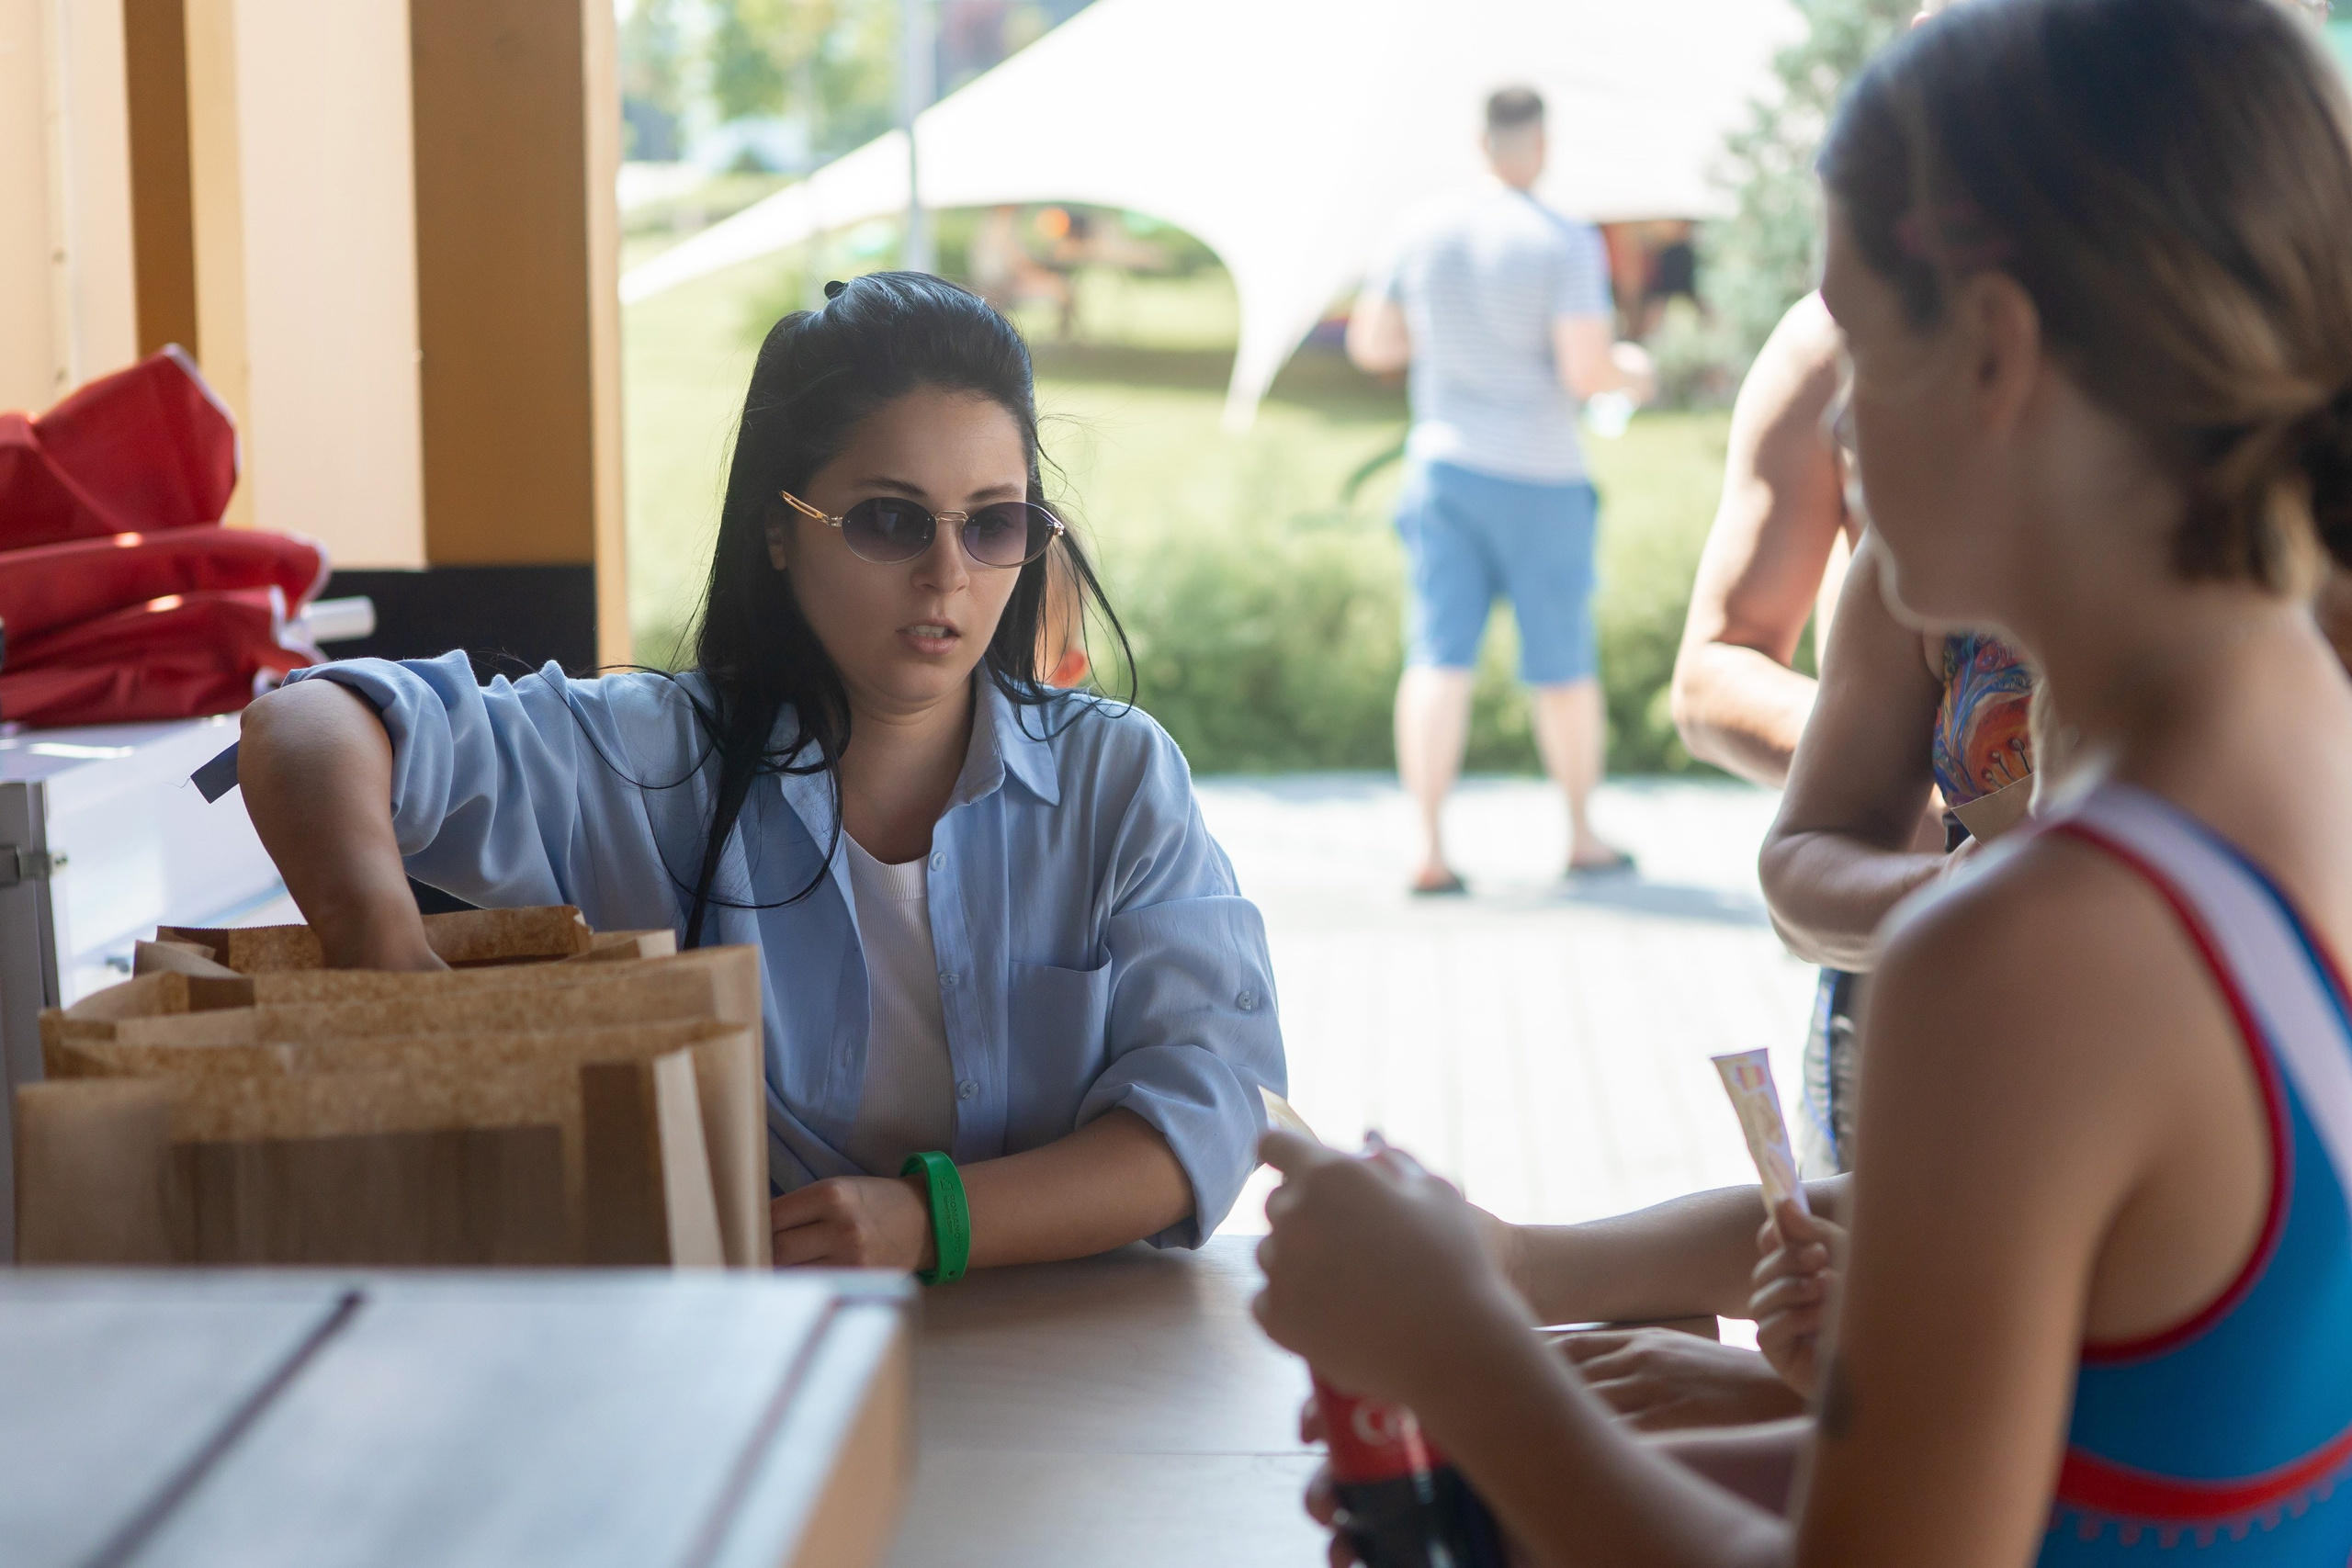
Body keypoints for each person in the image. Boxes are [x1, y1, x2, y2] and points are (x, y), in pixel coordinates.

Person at [1258, 4, 2352, 1563]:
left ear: (1993, 350)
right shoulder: (2302, 753)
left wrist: (1463, 1361)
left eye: (1854, 340)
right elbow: (2123, 1458)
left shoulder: (2032, 946)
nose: (1832, 418)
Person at [236, 273, 1286, 1276]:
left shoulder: (1116, 781)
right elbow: (310, 720)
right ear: (780, 531)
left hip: (1075, 1372)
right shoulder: (655, 763)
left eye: (993, 524)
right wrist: (378, 943)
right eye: (891, 518)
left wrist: (930, 1223)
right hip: (744, 1369)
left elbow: (1209, 1110)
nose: (947, 574)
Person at [1348, 85, 1656, 894]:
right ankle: (1582, 835)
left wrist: (1456, 344)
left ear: (1481, 144)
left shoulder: (1420, 228)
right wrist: (1639, 369)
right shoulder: (1562, 239)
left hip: (1444, 464)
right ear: (1540, 147)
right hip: (1541, 475)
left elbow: (1374, 342)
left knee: (1437, 657)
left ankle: (1428, 848)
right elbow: (1588, 369)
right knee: (1560, 662)